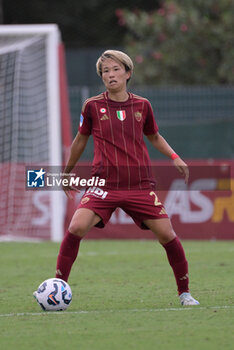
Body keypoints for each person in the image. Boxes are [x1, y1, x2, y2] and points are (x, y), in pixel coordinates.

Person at [55, 50, 199, 306]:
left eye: (115, 69)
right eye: (105, 71)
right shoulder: (92, 106)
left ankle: (185, 293)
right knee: (76, 227)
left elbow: (153, 135)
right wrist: (67, 171)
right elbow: (80, 140)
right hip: (104, 185)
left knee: (167, 235)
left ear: (128, 73)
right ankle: (57, 287)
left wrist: (174, 156)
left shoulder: (142, 105)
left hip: (139, 186)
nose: (110, 75)